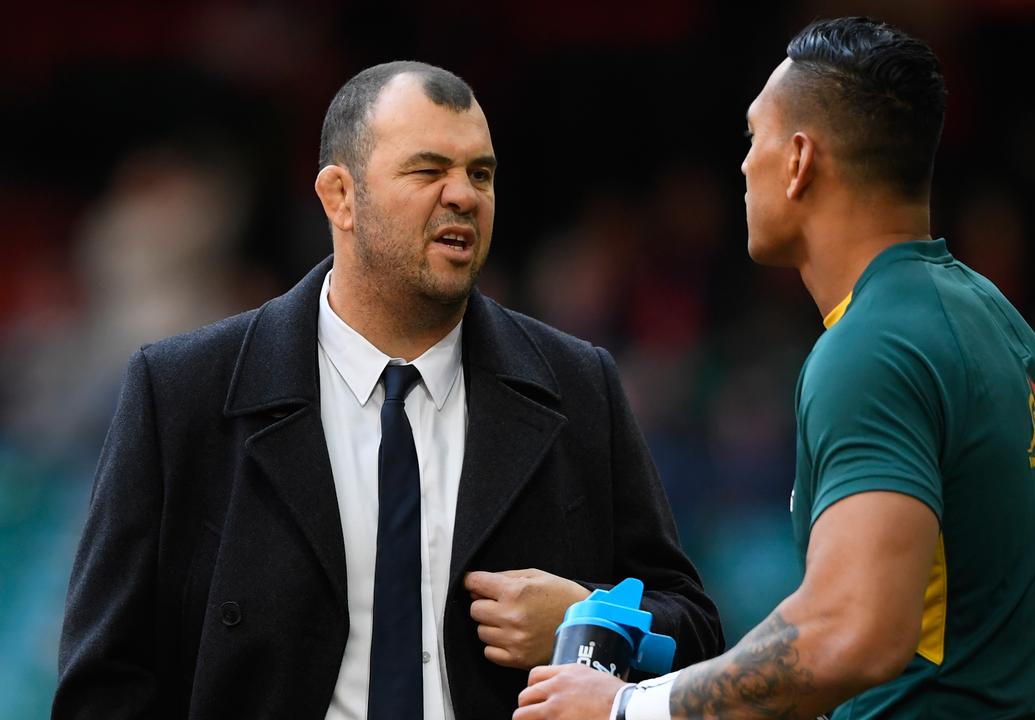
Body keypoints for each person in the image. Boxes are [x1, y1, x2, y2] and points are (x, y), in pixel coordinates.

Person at [52, 61, 722, 720]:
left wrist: (584, 621)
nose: (463, 195)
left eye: (480, 174)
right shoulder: (181, 392)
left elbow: (693, 630)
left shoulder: (577, 385)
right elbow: (106, 681)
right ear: (340, 197)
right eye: (428, 170)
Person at [517, 16, 1035, 720]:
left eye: (752, 138)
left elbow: (850, 635)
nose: (742, 164)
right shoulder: (1014, 334)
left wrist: (628, 707)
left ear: (799, 161)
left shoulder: (870, 350)